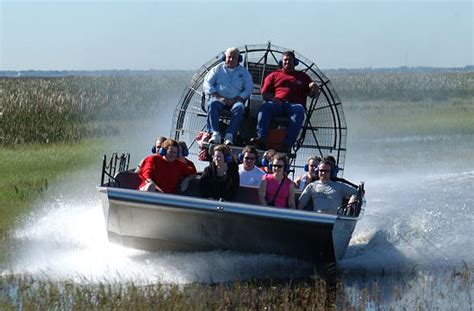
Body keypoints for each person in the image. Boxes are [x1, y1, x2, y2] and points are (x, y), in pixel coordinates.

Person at [251, 51, 318, 152]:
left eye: (290, 60)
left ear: (294, 62)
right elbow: (264, 93)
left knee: (299, 111)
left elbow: (313, 95)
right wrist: (274, 99)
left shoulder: (303, 76)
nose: (287, 62)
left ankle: (287, 144)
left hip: (294, 106)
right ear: (281, 62)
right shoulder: (274, 75)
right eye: (285, 60)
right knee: (265, 107)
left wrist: (315, 88)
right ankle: (261, 138)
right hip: (278, 104)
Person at [203, 47, 254, 146]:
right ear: (224, 57)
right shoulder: (217, 69)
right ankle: (215, 134)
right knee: (212, 103)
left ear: (238, 59)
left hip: (236, 101)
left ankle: (229, 135)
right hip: (219, 99)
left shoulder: (244, 73)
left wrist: (237, 99)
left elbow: (249, 89)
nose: (231, 60)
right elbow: (207, 84)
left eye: (234, 57)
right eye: (229, 57)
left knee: (240, 108)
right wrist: (218, 97)